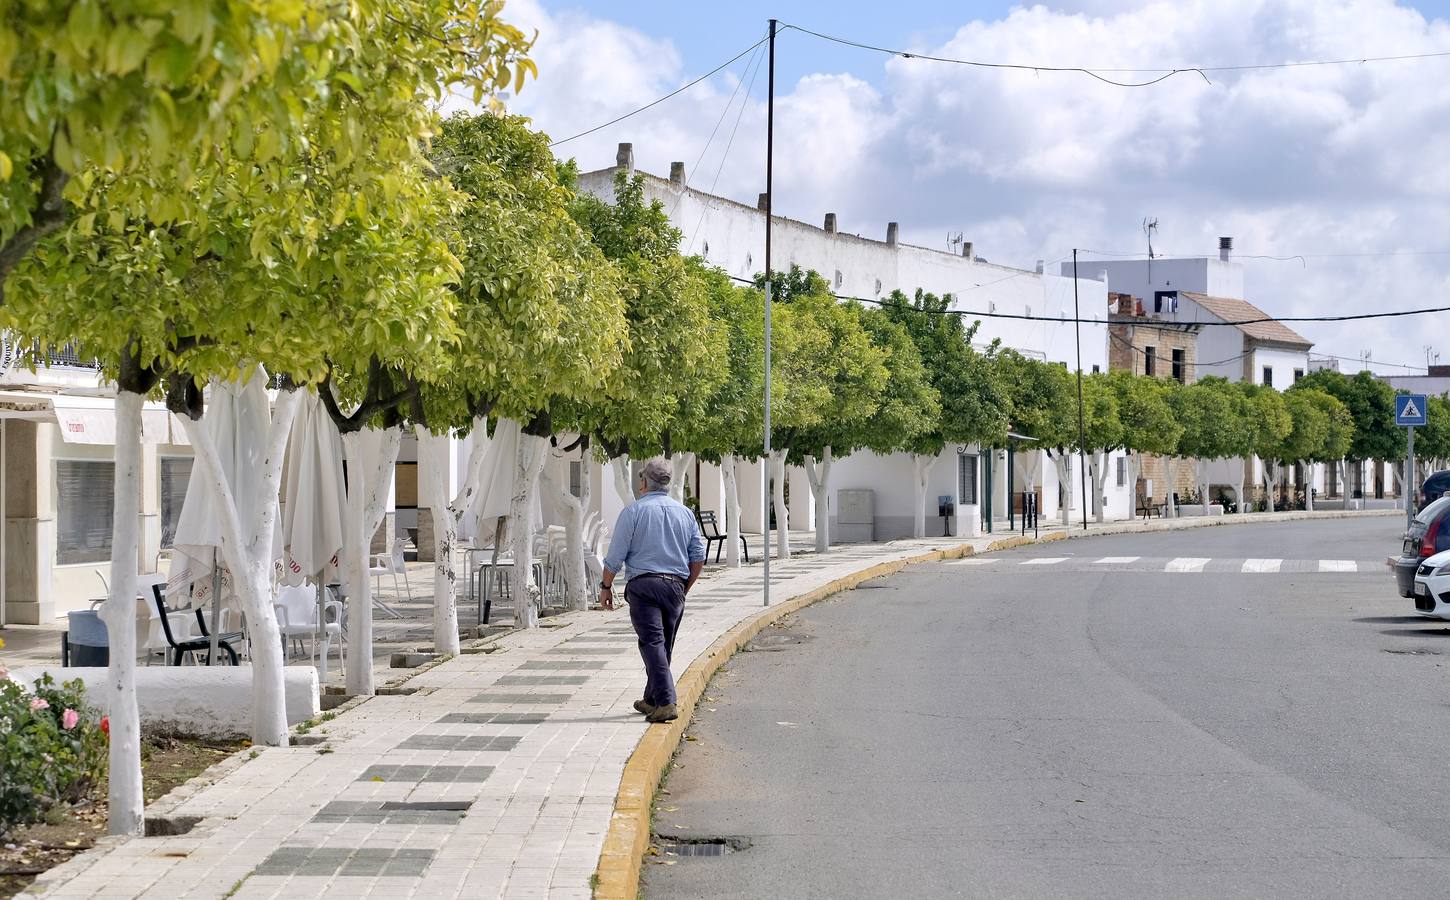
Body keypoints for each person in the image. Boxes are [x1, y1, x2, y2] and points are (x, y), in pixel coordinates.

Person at [600, 457, 706, 723]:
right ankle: (651, 699)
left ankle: (667, 702)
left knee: (653, 643)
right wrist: (684, 587)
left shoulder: (633, 512)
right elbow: (698, 556)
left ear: (645, 481)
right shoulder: (685, 513)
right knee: (663, 645)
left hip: (644, 586)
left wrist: (606, 586)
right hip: (674, 587)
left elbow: (615, 556)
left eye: (641, 479)